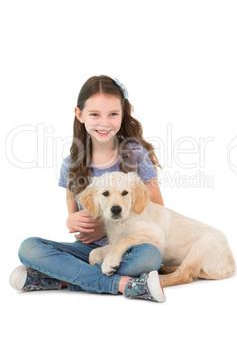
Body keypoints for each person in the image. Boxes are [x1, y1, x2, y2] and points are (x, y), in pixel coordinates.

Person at [9, 75, 166, 302]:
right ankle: (124, 284)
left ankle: (63, 279)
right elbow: (73, 213)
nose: (104, 122)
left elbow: (158, 209)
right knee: (29, 248)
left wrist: (106, 226)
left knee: (150, 257)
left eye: (113, 114)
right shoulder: (71, 164)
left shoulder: (134, 154)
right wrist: (70, 221)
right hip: (89, 253)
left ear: (123, 114)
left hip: (130, 249)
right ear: (80, 114)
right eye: (94, 114)